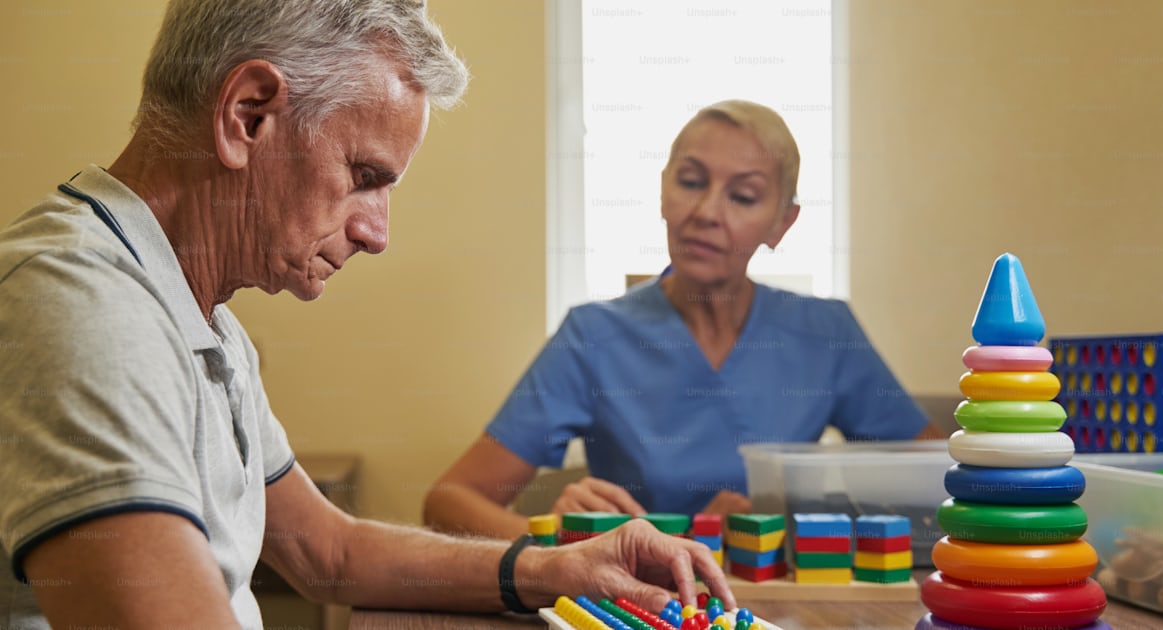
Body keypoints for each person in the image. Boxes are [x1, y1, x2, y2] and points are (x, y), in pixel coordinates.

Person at [0, 1, 734, 627]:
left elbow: (330, 551)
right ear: (247, 115)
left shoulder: (198, 316)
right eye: (364, 177)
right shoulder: (80, 306)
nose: (376, 233)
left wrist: (557, 567)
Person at [424, 99, 942, 540]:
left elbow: (940, 486)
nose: (706, 211)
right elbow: (448, 502)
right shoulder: (593, 338)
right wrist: (567, 542)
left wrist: (788, 522)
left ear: (782, 224)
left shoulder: (825, 335)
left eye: (742, 196)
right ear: (664, 190)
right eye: (691, 182)